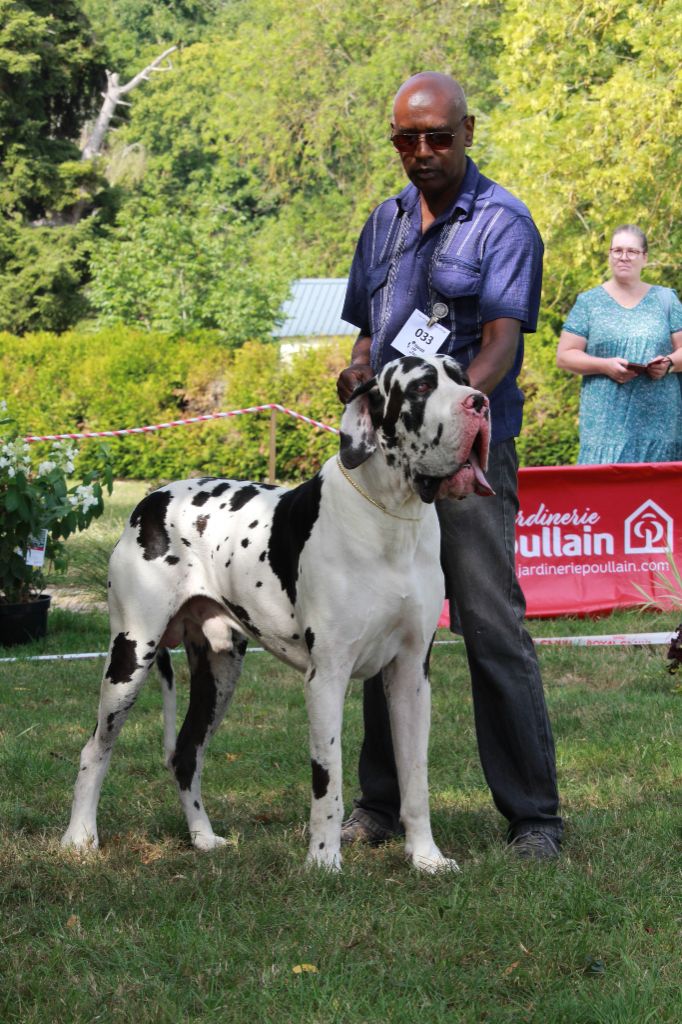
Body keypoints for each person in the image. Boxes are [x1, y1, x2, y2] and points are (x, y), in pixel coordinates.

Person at [336, 71, 562, 860]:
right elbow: (369, 331)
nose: (423, 152)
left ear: (468, 130)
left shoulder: (503, 222)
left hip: (464, 454)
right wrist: (359, 371)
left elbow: (501, 343)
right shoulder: (384, 223)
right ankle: (378, 806)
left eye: (438, 136)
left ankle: (535, 817)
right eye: (408, 139)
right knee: (381, 621)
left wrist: (446, 413)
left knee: (489, 623)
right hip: (386, 465)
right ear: (395, 141)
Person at [557, 225, 682, 464]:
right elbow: (565, 356)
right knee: (606, 496)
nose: (623, 257)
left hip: (661, 427)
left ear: (645, 257)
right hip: (605, 428)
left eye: (632, 251)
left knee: (659, 497)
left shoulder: (666, 299)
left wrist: (668, 363)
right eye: (617, 250)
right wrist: (605, 366)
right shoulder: (589, 303)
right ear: (610, 255)